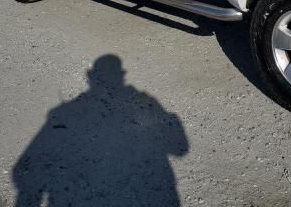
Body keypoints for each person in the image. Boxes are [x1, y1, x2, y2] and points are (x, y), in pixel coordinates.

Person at [13, 55, 188, 206]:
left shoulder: (63, 111)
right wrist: (171, 119)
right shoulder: (144, 100)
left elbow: (22, 170)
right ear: (122, 75)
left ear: (90, 77)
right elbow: (180, 149)